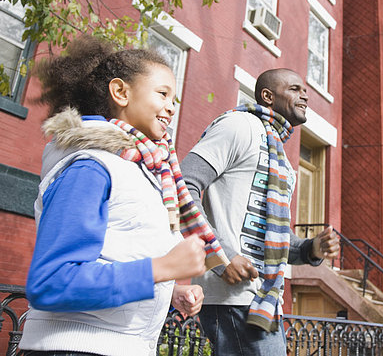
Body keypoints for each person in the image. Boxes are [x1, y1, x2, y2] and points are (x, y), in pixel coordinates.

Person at [19, 35, 228, 356]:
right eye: (162, 93)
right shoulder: (90, 166)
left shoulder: (146, 170)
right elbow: (52, 281)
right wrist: (161, 269)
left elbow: (118, 253)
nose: (171, 107)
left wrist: (167, 290)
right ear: (120, 92)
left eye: (175, 99)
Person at [181, 68, 340, 355]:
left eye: (304, 90)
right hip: (232, 297)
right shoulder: (238, 126)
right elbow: (183, 187)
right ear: (268, 96)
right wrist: (220, 256)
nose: (305, 95)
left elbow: (274, 239)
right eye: (294, 89)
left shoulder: (276, 152)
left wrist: (312, 248)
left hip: (264, 301)